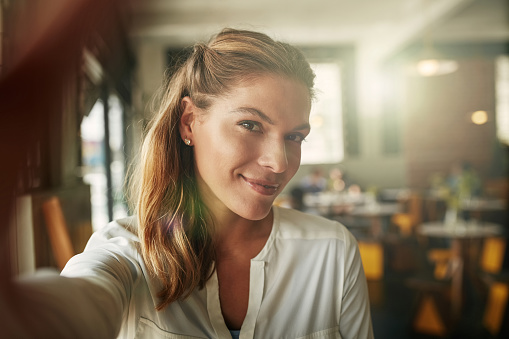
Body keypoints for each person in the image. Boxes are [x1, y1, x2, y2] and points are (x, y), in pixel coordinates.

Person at [11, 28, 373, 338]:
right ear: (189, 123)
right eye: (250, 125)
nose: (279, 162)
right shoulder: (128, 252)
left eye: (294, 137)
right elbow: (82, 295)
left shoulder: (332, 250)